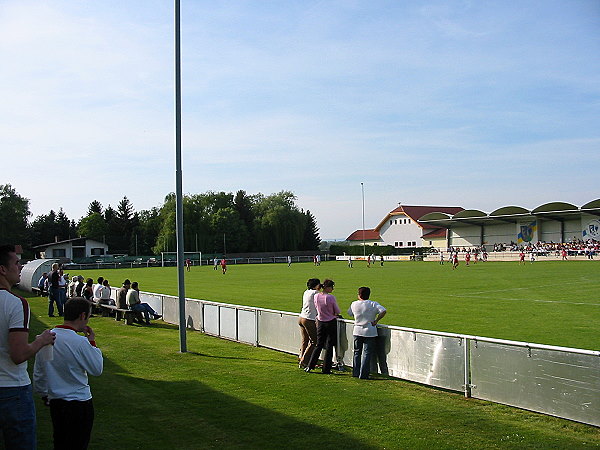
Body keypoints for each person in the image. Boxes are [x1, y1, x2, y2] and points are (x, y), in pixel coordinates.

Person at [0, 244, 56, 449]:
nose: (21, 266)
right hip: (12, 390)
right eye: (17, 262)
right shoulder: (16, 303)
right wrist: (41, 341)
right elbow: (18, 354)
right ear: (2, 269)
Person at [34, 298, 103, 450]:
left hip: (57, 402)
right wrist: (92, 342)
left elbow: (40, 372)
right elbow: (97, 368)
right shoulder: (79, 342)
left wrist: (44, 394)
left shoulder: (45, 338)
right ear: (83, 316)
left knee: (60, 442)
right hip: (79, 403)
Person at [347, 287, 387, 379]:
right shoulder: (373, 304)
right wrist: (376, 320)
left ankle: (356, 372)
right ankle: (364, 374)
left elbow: (350, 313)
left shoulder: (354, 304)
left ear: (359, 294)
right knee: (367, 353)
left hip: (357, 330)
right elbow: (383, 311)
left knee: (357, 352)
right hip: (370, 331)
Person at [305, 279, 340, 374]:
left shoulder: (316, 296)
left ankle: (310, 365)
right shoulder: (331, 298)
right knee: (329, 346)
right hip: (330, 322)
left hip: (320, 321)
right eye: (332, 287)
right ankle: (326, 368)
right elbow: (337, 311)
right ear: (328, 287)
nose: (332, 289)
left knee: (318, 345)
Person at [298, 279, 320, 369]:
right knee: (314, 341)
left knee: (305, 340)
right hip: (309, 319)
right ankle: (304, 361)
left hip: (301, 317)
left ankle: (301, 357)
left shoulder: (306, 292)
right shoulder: (315, 293)